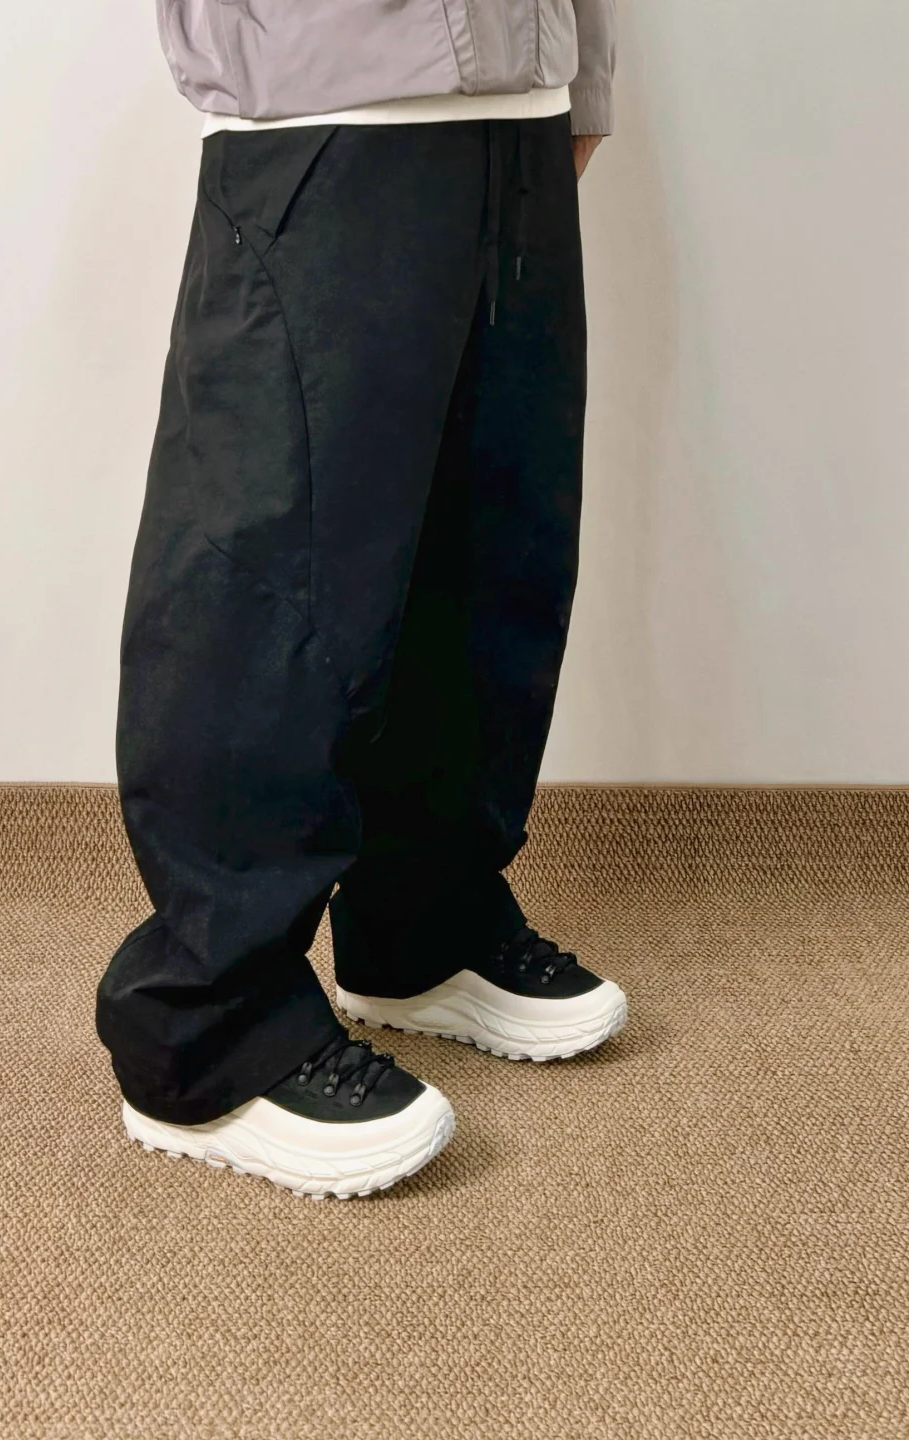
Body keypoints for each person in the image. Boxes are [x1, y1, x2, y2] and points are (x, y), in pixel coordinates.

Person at [95, 0, 627, 1200]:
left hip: (518, 106)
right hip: (325, 97)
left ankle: (421, 927)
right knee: (276, 578)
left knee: (489, 547)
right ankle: (208, 1026)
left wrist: (580, 74)